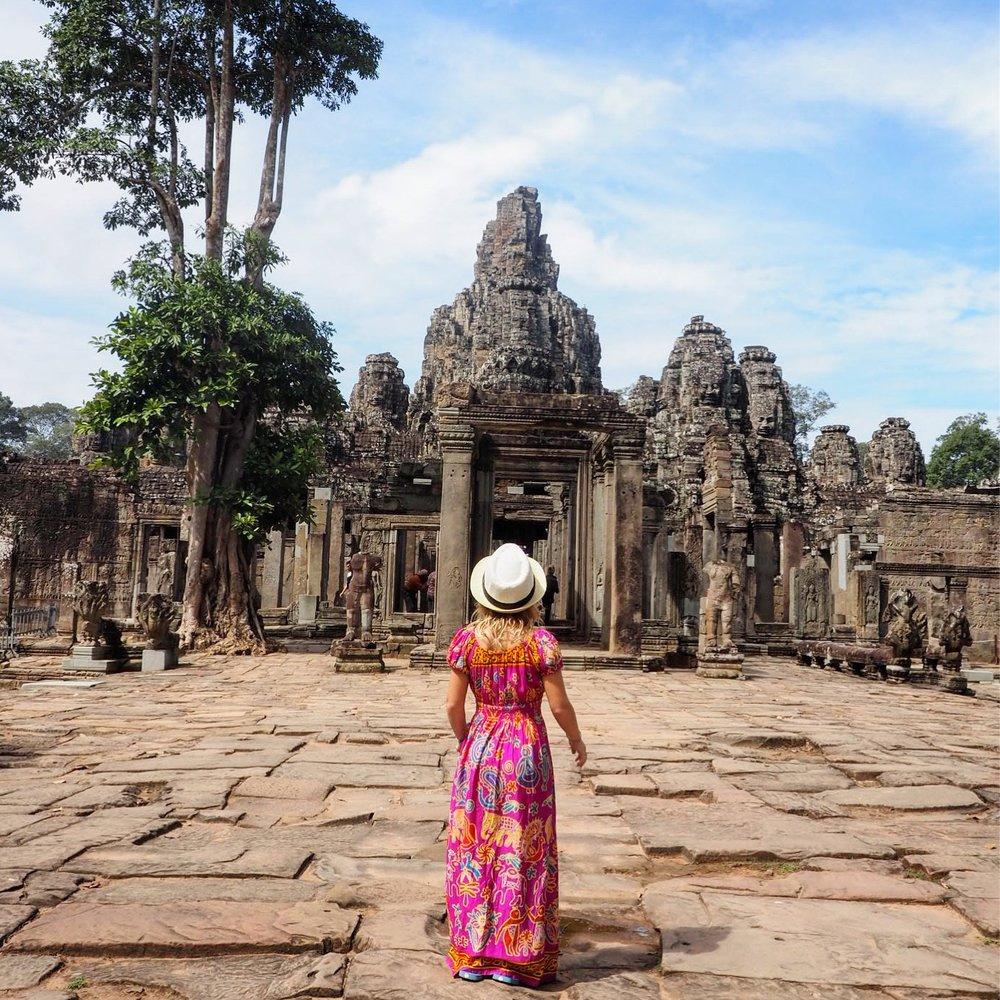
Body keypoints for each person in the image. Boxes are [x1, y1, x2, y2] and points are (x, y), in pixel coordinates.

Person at [443, 543, 587, 988]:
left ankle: (474, 953)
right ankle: (516, 956)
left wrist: (467, 739)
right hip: (526, 746)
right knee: (525, 847)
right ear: (531, 598)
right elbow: (559, 706)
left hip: (482, 743)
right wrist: (576, 739)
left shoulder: (467, 640)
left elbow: (452, 706)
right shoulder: (541, 643)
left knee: (475, 844)